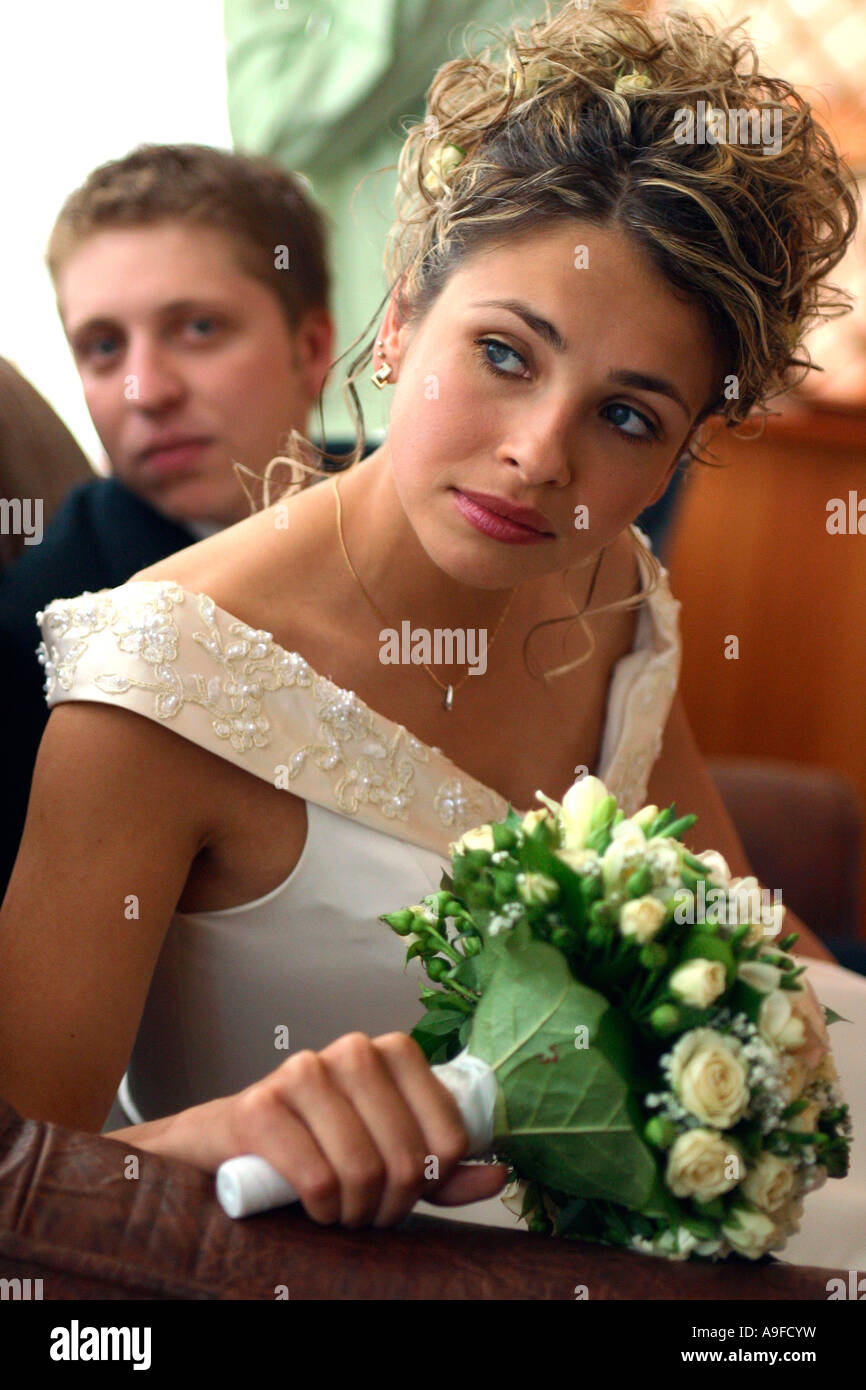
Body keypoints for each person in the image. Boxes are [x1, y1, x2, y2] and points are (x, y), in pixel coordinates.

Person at [0, 2, 861, 1246]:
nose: (534, 456)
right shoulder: (153, 679)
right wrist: (231, 1136)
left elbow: (724, 921)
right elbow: (23, 1186)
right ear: (400, 317)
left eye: (625, 418)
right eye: (506, 353)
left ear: (683, 451)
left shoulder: (611, 585)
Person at [0, 143, 336, 900]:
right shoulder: (33, 640)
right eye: (103, 346)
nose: (143, 390)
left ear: (310, 348)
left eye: (197, 328)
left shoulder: (437, 508)